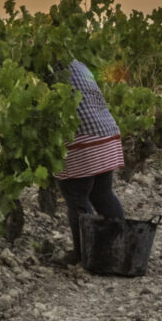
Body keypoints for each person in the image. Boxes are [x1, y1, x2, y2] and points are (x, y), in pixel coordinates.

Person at [58, 59, 126, 226]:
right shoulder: (77, 64)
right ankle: (118, 246)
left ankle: (84, 251)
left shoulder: (46, 68)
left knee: (77, 200)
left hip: (82, 139)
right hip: (106, 132)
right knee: (102, 193)